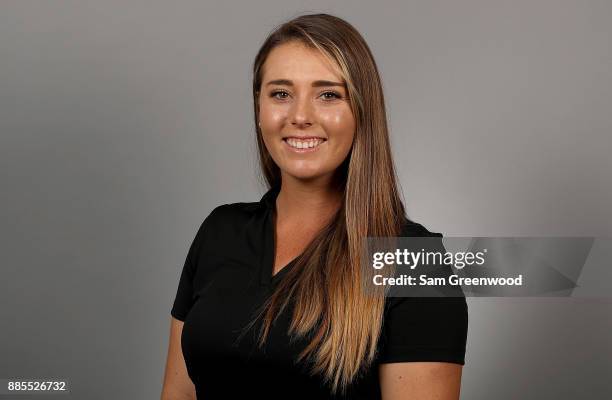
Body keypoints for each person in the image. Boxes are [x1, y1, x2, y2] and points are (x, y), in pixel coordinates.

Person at [161, 13, 468, 400]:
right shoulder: (219, 231)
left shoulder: (416, 262)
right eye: (281, 94)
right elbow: (178, 393)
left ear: (362, 111)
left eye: (328, 94)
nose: (300, 116)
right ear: (259, 109)